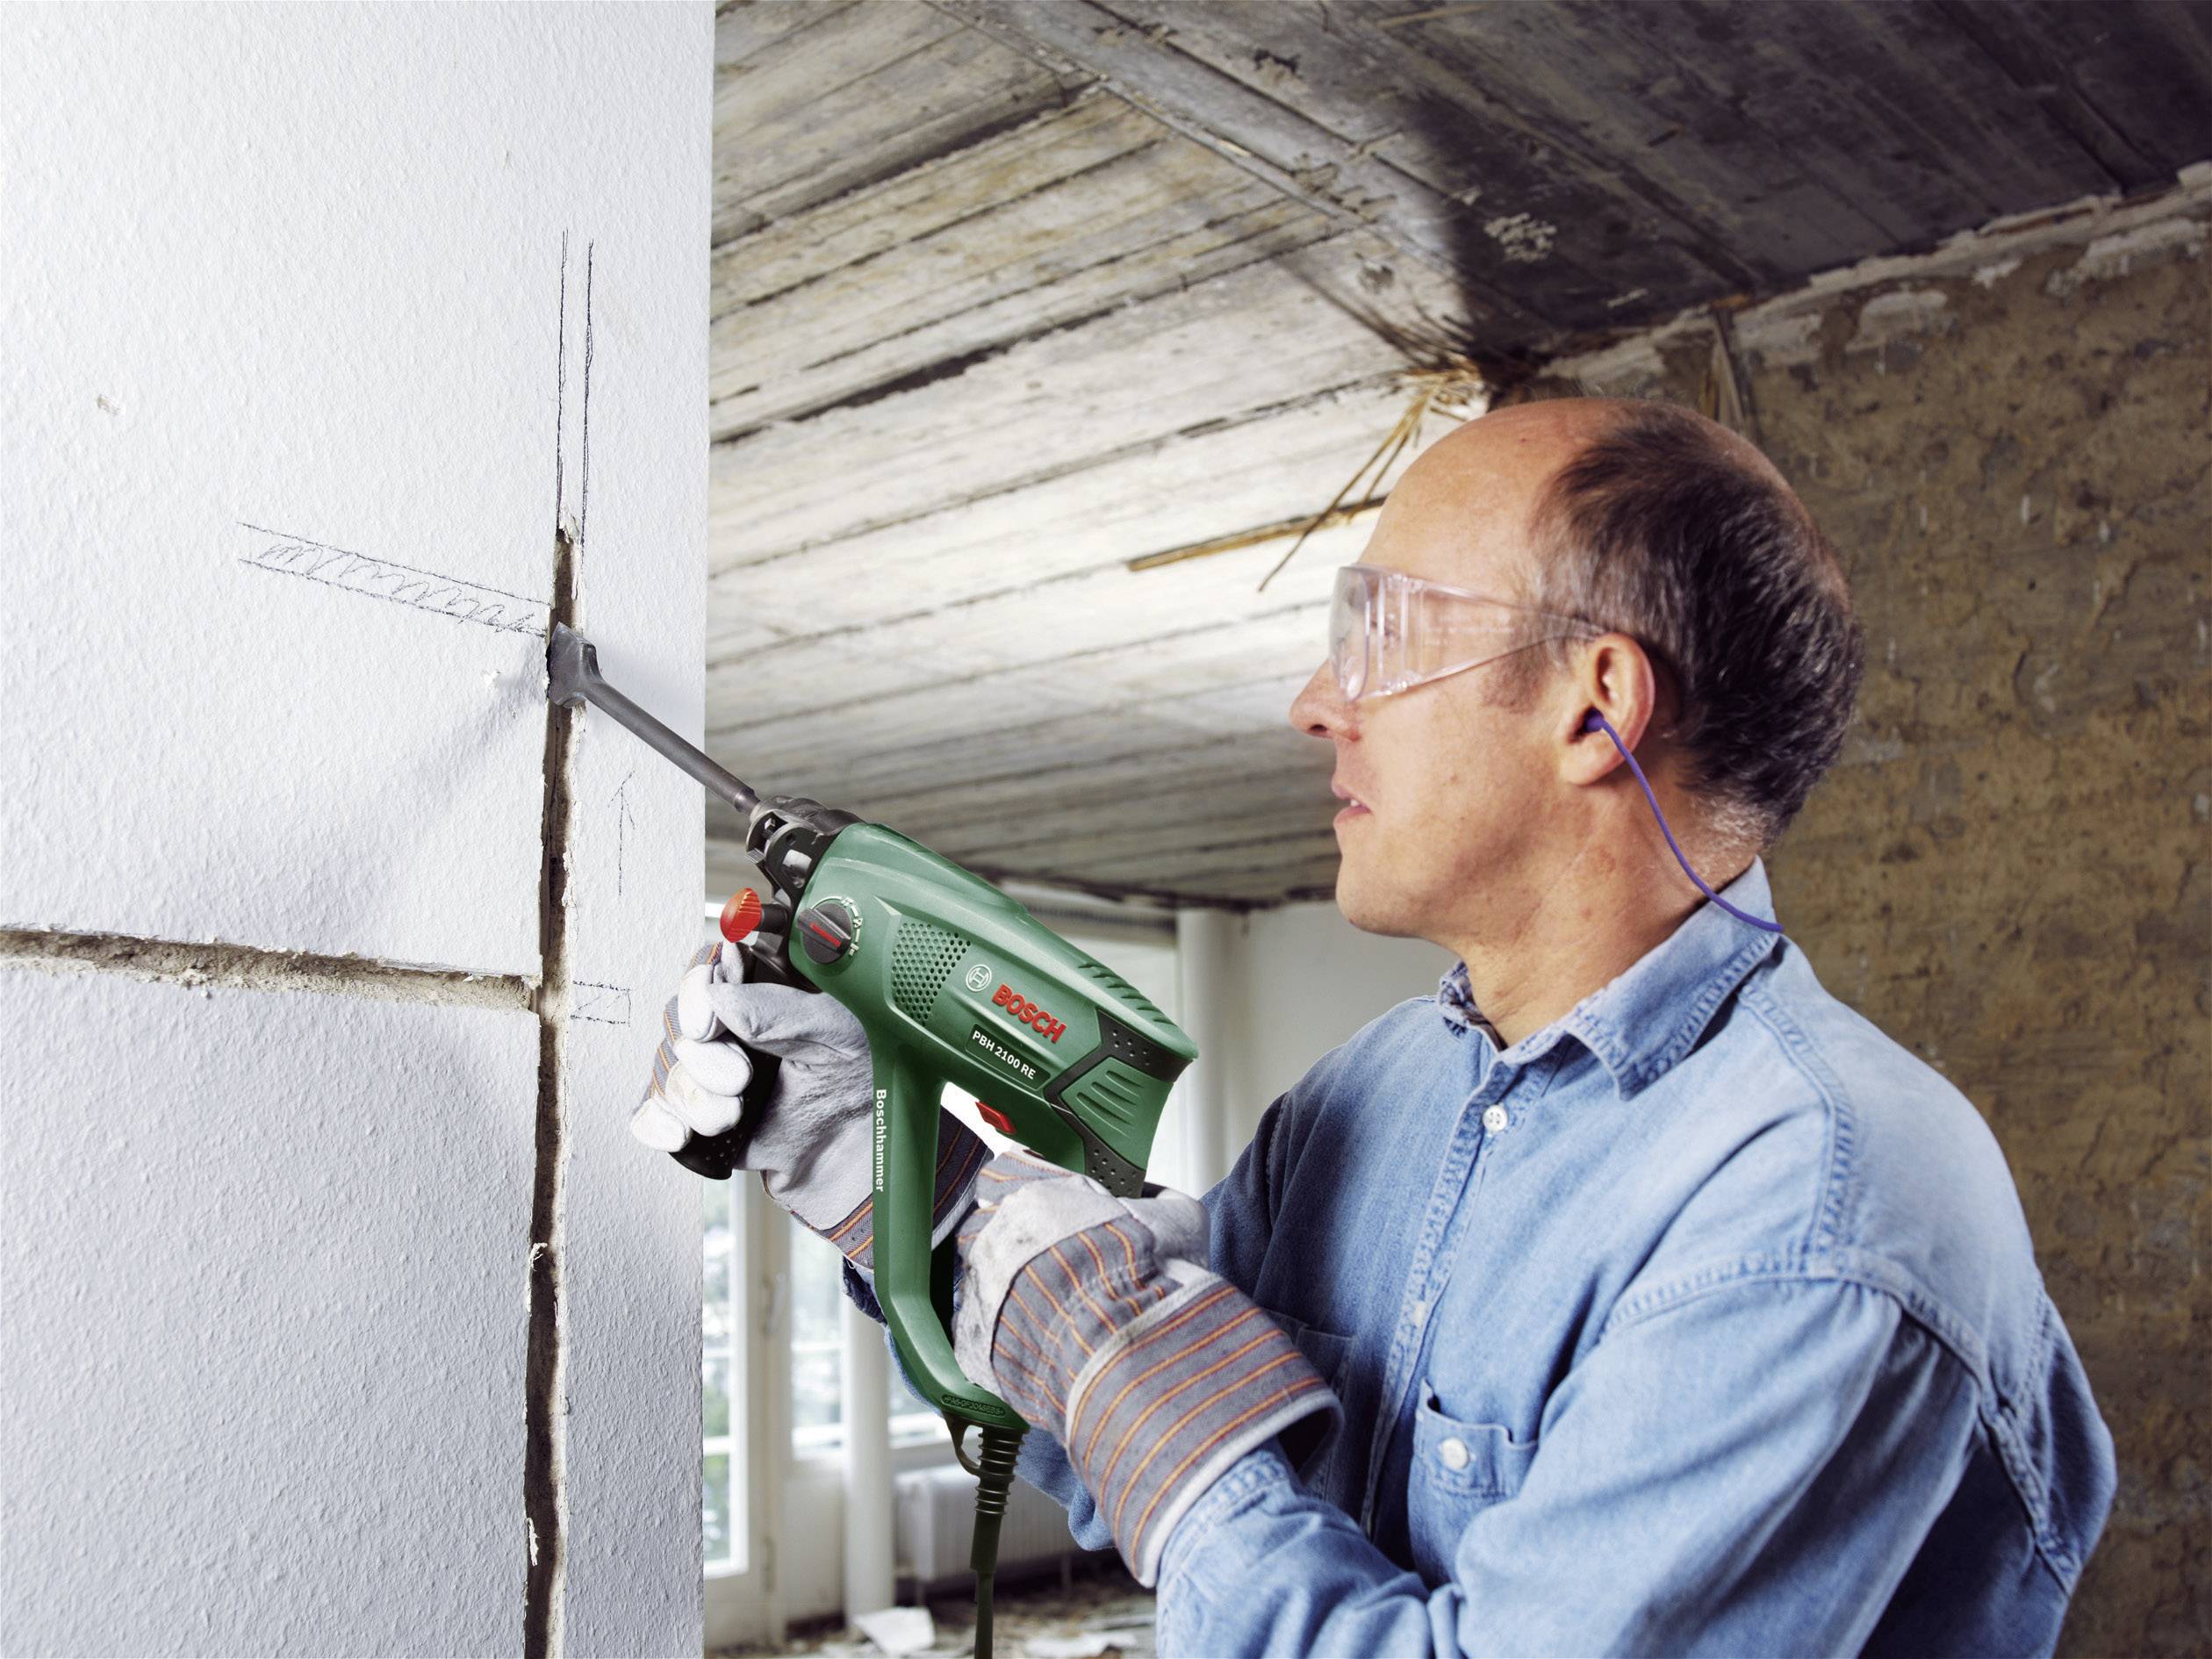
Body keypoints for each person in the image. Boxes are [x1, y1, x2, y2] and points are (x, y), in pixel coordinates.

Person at [636, 398, 2115, 1656]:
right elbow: (1123, 1428)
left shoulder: (1824, 1212)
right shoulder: (1386, 1091)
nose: (1312, 701)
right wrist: (882, 1165)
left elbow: (1149, 1400)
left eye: (1379, 630)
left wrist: (1104, 1334)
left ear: (1598, 709)